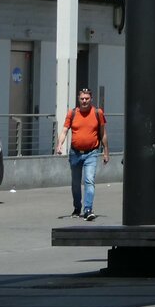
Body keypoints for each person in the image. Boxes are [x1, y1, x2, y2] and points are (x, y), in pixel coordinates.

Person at [53, 87, 110, 220]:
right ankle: (77, 207)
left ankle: (88, 209)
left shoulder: (98, 113)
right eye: (82, 99)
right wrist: (59, 144)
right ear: (79, 99)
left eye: (87, 99)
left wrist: (106, 151)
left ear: (91, 99)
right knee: (75, 183)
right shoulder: (72, 113)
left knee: (89, 180)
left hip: (92, 153)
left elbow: (103, 133)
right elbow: (64, 130)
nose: (84, 101)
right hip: (75, 153)